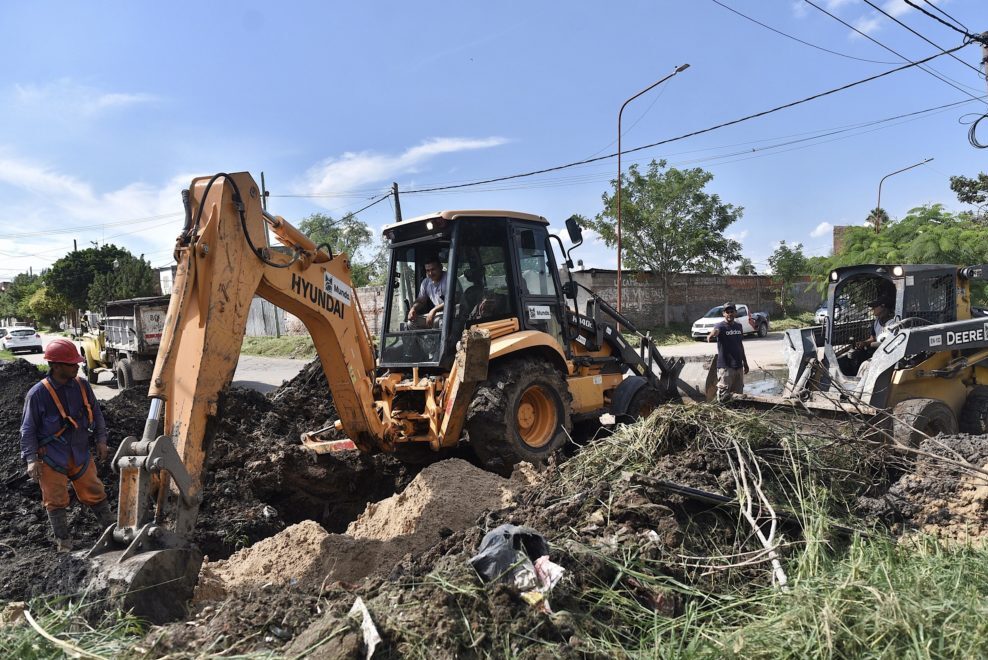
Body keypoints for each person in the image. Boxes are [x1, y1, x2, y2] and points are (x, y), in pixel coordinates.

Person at [20, 337, 114, 552]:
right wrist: (32, 460)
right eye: (71, 363)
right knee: (55, 500)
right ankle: (64, 545)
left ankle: (112, 531)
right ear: (55, 365)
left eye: (77, 362)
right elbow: (27, 430)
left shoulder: (82, 386)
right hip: (51, 457)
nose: (77, 366)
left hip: (80, 453)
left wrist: (101, 440)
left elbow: (96, 413)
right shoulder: (37, 394)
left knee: (95, 491)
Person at [707, 302, 749, 402]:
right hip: (725, 367)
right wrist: (711, 335)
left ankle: (737, 413)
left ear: (735, 313)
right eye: (727, 312)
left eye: (732, 311)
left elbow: (740, 345)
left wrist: (745, 363)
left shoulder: (739, 326)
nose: (730, 314)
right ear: (724, 314)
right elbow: (715, 331)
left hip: (738, 366)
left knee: (738, 396)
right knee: (723, 396)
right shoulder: (720, 326)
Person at [407, 255, 448, 328]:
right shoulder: (426, 283)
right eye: (428, 270)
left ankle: (443, 339)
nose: (430, 273)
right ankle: (424, 340)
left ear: (440, 267)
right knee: (411, 323)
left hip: (452, 314)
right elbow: (421, 301)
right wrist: (413, 309)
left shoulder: (449, 278)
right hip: (437, 313)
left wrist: (434, 310)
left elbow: (453, 300)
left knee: (438, 322)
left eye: (433, 269)